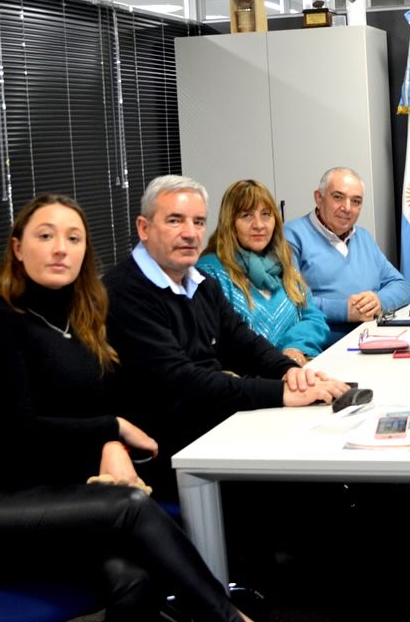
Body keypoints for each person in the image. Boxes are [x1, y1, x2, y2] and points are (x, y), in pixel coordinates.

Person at [0, 194, 253, 622]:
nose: (60, 248)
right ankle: (228, 619)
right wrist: (111, 429)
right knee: (131, 506)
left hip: (48, 490)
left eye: (73, 237)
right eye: (45, 236)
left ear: (86, 251)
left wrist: (110, 440)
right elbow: (16, 432)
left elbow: (97, 403)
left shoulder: (80, 318)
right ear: (17, 248)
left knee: (135, 577)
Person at [105, 175, 347, 484]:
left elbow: (244, 341)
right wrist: (281, 393)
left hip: (217, 427)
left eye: (198, 222)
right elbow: (183, 382)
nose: (190, 233)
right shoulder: (126, 292)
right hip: (173, 452)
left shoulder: (200, 284)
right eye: (175, 221)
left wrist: (290, 372)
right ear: (144, 228)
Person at [198, 179, 329, 365]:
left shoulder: (284, 265)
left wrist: (294, 347)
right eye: (246, 216)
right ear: (230, 223)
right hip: (245, 385)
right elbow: (216, 343)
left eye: (266, 214)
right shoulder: (210, 272)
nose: (259, 225)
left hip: (294, 374)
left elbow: (313, 317)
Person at [285, 167, 410, 346]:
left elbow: (401, 286)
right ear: (319, 198)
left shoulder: (364, 237)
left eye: (356, 201)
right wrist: (345, 311)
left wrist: (378, 301)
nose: (347, 208)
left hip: (373, 341)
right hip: (322, 348)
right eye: (338, 197)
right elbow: (291, 301)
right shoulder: (292, 236)